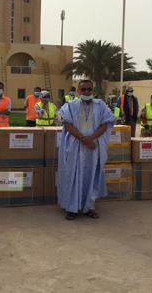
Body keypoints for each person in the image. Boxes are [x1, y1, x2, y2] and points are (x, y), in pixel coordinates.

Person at [57, 80, 116, 220]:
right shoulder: (70, 105)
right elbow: (68, 125)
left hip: (93, 148)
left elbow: (104, 124)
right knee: (73, 176)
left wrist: (91, 139)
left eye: (89, 89)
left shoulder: (100, 105)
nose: (86, 92)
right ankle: (72, 208)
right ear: (78, 91)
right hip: (75, 146)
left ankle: (89, 207)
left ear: (93, 90)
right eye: (83, 89)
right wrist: (84, 139)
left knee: (91, 176)